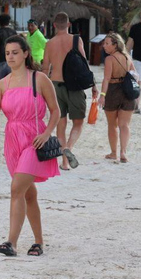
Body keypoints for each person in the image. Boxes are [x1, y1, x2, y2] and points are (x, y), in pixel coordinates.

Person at [0, 35, 61, 257]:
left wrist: (47, 133)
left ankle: (11, 242)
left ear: (25, 53)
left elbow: (56, 111)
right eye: (7, 53)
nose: (10, 57)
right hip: (12, 140)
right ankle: (39, 241)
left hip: (34, 139)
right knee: (28, 194)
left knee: (16, 189)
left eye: (15, 52)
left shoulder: (39, 79)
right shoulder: (3, 84)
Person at [41, 12, 97, 170]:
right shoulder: (76, 39)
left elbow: (45, 68)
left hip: (55, 86)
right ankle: (68, 150)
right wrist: (93, 85)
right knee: (78, 123)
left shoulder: (49, 43)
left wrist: (42, 90)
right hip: (74, 85)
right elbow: (83, 63)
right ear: (69, 24)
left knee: (61, 123)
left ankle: (64, 163)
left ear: (53, 25)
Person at [98, 33, 135, 163]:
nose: (104, 46)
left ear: (115, 44)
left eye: (107, 43)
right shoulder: (127, 57)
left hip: (113, 91)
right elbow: (135, 75)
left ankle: (114, 153)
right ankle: (123, 152)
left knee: (112, 125)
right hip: (127, 91)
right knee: (124, 125)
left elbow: (106, 79)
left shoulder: (110, 59)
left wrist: (102, 95)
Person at [0, 14, 18, 97]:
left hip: (0, 60)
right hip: (11, 60)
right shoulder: (13, 32)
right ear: (9, 22)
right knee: (10, 81)